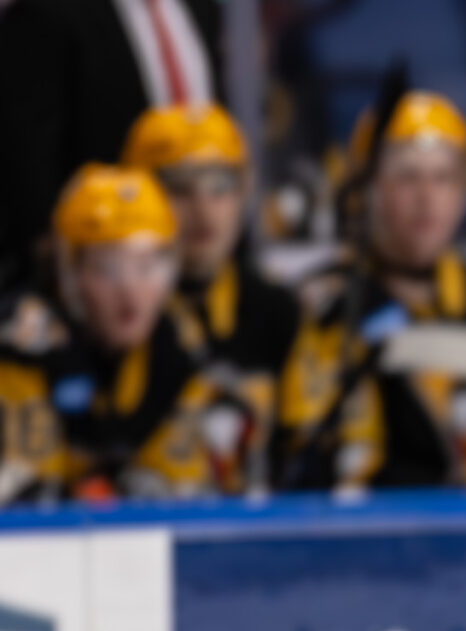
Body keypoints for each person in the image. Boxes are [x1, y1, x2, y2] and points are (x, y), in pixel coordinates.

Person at [279, 93, 466, 493]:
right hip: (355, 537)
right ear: (367, 189)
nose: (427, 198)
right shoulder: (321, 303)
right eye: (407, 177)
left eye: (444, 178)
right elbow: (302, 448)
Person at [0, 165, 226, 503]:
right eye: (108, 268)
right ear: (70, 272)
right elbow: (24, 496)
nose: (131, 293)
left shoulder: (180, 342)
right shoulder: (23, 339)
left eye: (148, 266)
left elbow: (179, 491)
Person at [122, 103, 298, 494]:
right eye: (178, 189)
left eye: (220, 186)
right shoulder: (112, 310)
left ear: (246, 191)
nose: (203, 211)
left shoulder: (279, 311)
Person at [0, 0, 223, 286]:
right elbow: (27, 155)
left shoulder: (201, 8)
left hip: (195, 261)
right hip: (106, 273)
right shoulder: (46, 13)